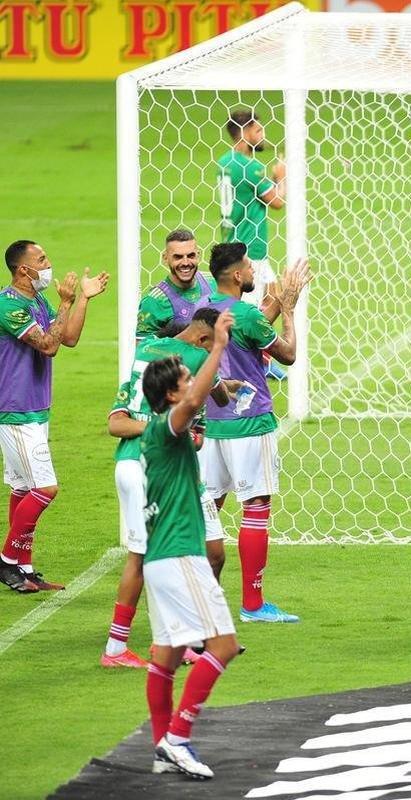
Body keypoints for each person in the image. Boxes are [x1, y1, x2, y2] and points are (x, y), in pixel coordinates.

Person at [102, 309, 235, 668]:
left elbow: (198, 429)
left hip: (167, 473)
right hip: (145, 470)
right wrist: (165, 432)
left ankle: (191, 635)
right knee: (146, 557)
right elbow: (213, 401)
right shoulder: (194, 362)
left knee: (210, 551)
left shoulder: (147, 351)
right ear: (203, 342)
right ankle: (119, 648)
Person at [139, 310, 241, 780]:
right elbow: (199, 396)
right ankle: (178, 737)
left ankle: (163, 743)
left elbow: (200, 399)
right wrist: (218, 344)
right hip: (180, 556)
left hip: (160, 559)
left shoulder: (162, 435)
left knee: (166, 656)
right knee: (221, 646)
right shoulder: (165, 425)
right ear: (171, 394)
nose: (192, 375)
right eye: (185, 375)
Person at [200, 242, 310, 622]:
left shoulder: (204, 307)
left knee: (210, 509)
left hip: (212, 424)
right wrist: (290, 310)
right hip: (250, 422)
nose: (253, 272)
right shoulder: (246, 314)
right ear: (236, 275)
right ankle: (253, 604)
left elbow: (250, 325)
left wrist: (277, 302)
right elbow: (288, 353)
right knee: (257, 506)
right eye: (249, 267)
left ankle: (202, 596)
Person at [0, 240, 108, 593]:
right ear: (23, 270)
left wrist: (83, 299)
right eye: (42, 259)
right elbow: (48, 346)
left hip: (35, 409)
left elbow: (68, 338)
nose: (48, 264)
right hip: (16, 412)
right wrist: (65, 301)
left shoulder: (38, 301)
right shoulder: (8, 306)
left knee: (23, 488)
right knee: (45, 489)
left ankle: (24, 568)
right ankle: (5, 561)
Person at [217, 108, 287, 378]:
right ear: (245, 132)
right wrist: (281, 175)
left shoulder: (225, 162)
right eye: (258, 130)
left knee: (274, 297)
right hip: (249, 250)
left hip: (236, 241)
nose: (262, 135)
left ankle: (265, 360)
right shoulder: (252, 167)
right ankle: (243, 366)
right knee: (250, 314)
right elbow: (278, 202)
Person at [135, 228, 214, 340]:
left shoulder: (214, 282)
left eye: (191, 256)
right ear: (165, 258)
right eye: (178, 257)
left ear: (198, 255)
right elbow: (141, 347)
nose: (186, 263)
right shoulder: (154, 302)